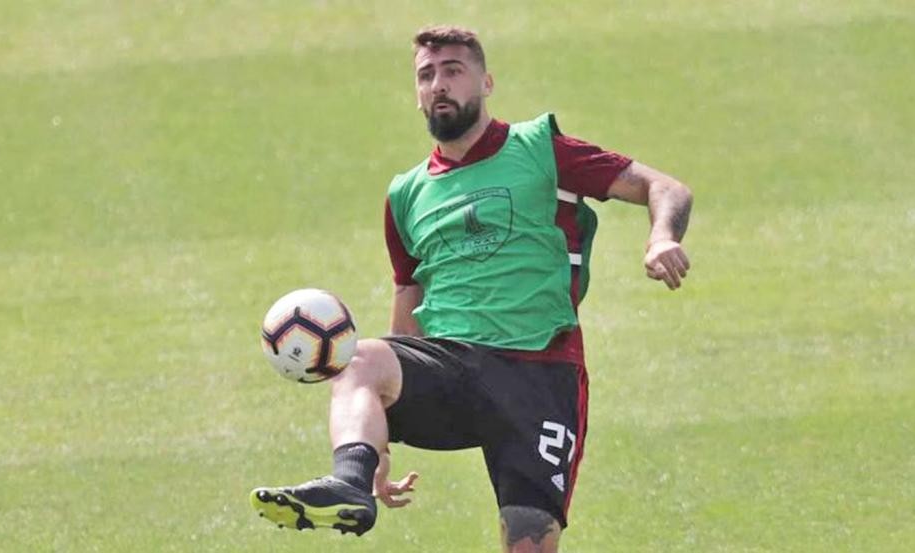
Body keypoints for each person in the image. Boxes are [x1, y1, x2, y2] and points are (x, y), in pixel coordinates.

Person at [251, 25, 692, 552]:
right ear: (417, 94)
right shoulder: (406, 194)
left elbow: (664, 187)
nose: (439, 84)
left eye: (453, 71)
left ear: (486, 83)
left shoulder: (540, 149)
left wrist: (662, 238)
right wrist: (380, 439)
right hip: (452, 366)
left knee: (528, 542)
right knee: (360, 359)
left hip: (540, 372)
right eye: (426, 75)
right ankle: (349, 483)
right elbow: (409, 295)